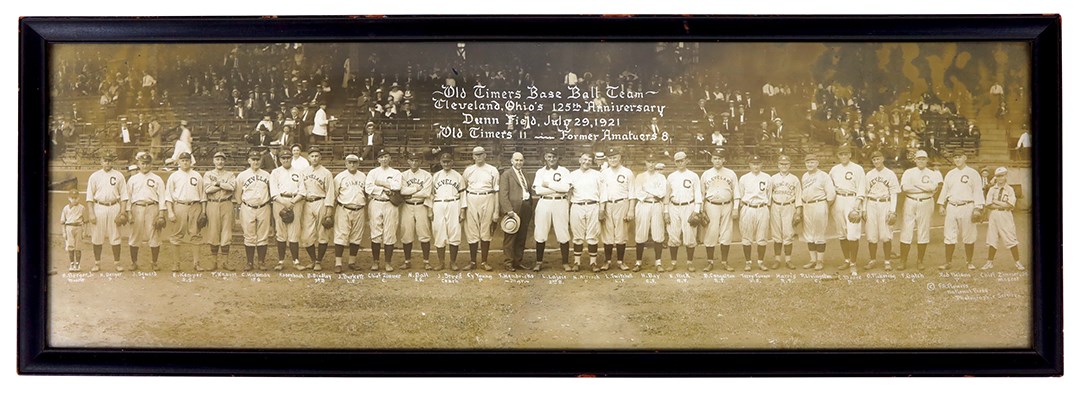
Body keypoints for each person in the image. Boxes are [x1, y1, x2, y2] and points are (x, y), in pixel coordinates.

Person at [937, 152, 984, 270]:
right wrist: (941, 204)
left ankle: (969, 262)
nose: (957, 159)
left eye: (959, 157)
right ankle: (948, 262)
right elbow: (944, 190)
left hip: (967, 205)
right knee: (949, 234)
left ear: (965, 158)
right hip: (952, 206)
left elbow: (978, 191)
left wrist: (978, 208)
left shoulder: (973, 173)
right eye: (955, 157)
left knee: (969, 234)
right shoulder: (950, 174)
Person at [899, 150, 942, 271]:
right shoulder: (909, 172)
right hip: (910, 201)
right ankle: (903, 261)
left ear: (927, 160)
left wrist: (916, 185)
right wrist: (924, 188)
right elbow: (905, 188)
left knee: (923, 230)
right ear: (915, 160)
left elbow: (933, 188)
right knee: (906, 229)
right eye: (919, 159)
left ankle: (920, 261)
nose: (921, 161)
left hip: (926, 202)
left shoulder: (933, 173)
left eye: (923, 159)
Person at [86, 151, 129, 272]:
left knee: (115, 235)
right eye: (105, 160)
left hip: (114, 206)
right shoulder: (94, 176)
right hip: (99, 206)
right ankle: (97, 263)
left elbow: (124, 196)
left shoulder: (119, 175)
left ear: (112, 162)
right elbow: (89, 196)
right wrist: (91, 212)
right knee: (97, 236)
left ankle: (117, 263)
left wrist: (122, 212)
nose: (107, 163)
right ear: (101, 161)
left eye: (109, 160)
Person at [700, 148, 740, 272]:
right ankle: (710, 262)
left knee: (726, 233)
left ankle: (724, 262)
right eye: (715, 158)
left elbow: (736, 192)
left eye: (720, 158)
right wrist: (701, 209)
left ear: (724, 160)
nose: (717, 161)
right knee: (711, 233)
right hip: (711, 205)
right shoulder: (706, 174)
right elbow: (701, 193)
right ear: (712, 159)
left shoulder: (731, 173)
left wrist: (735, 208)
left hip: (727, 205)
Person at [166, 152, 207, 272]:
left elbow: (203, 195)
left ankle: (196, 263)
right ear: (178, 162)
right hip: (179, 205)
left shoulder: (197, 175)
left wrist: (203, 212)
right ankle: (176, 263)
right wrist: (170, 212)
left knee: (196, 235)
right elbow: (168, 196)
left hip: (195, 205)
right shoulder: (174, 176)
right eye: (182, 160)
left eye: (187, 160)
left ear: (191, 161)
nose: (185, 162)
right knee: (176, 235)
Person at [126, 152, 166, 271]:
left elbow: (162, 197)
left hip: (152, 207)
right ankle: (134, 262)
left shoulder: (157, 179)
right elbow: (128, 197)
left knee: (154, 234)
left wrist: (161, 214)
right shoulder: (133, 179)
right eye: (143, 163)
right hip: (137, 207)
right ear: (139, 164)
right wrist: (128, 213)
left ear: (151, 165)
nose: (145, 166)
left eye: (147, 163)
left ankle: (154, 262)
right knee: (135, 235)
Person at [462, 146, 501, 271]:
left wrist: (496, 211)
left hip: (487, 197)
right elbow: (464, 189)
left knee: (486, 231)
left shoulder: (492, 170)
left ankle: (484, 262)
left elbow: (496, 191)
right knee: (472, 231)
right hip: (471, 198)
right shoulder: (468, 170)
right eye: (476, 154)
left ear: (485, 155)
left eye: (481, 154)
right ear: (473, 156)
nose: (478, 157)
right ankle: (473, 262)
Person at [533, 147, 572, 271]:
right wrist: (557, 188)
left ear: (558, 158)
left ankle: (565, 262)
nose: (551, 159)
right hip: (544, 202)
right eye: (549, 157)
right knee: (540, 231)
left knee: (563, 231)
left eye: (554, 157)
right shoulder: (540, 172)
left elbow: (566, 188)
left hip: (560, 202)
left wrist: (548, 185)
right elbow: (538, 190)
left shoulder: (564, 171)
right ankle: (539, 262)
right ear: (545, 157)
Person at [829, 145, 865, 275]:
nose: (843, 156)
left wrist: (857, 205)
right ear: (838, 156)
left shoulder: (858, 168)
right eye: (841, 154)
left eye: (846, 154)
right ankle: (847, 260)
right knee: (842, 233)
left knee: (853, 233)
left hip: (852, 200)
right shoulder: (834, 169)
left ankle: (853, 264)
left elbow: (862, 187)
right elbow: (829, 186)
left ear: (850, 155)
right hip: (838, 201)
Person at [567, 152, 606, 272]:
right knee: (577, 236)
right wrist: (567, 209)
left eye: (589, 160)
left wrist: (602, 209)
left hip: (593, 205)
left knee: (592, 236)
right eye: (584, 159)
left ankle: (593, 263)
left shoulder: (597, 175)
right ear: (579, 160)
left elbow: (603, 193)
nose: (587, 162)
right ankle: (577, 262)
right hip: (577, 206)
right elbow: (568, 193)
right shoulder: (572, 175)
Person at [235, 149, 273, 271]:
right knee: (249, 235)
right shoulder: (242, 175)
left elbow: (271, 191)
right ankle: (249, 262)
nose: (256, 162)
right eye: (253, 159)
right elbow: (237, 193)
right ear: (249, 160)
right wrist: (241, 205)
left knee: (263, 235)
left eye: (258, 159)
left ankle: (261, 262)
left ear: (261, 161)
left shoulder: (267, 175)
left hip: (263, 206)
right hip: (248, 207)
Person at [863, 151, 900, 271]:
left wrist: (892, 210)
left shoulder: (890, 174)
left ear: (883, 159)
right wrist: (864, 209)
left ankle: (887, 261)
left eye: (878, 159)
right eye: (874, 160)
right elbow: (865, 194)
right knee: (871, 233)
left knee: (886, 234)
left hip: (885, 203)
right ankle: (872, 260)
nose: (876, 161)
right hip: (871, 203)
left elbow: (894, 193)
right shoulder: (869, 175)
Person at [365, 149, 402, 271]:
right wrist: (385, 189)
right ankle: (375, 262)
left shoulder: (396, 172)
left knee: (390, 232)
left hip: (390, 203)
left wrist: (381, 183)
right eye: (382, 157)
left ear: (390, 158)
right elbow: (368, 188)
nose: (384, 159)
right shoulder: (373, 172)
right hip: (376, 202)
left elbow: (397, 186)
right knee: (376, 233)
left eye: (386, 157)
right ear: (378, 159)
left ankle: (388, 262)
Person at [270, 149, 307, 271]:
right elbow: (274, 191)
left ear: (292, 158)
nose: (286, 160)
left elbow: (302, 191)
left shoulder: (299, 172)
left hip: (295, 202)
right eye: (283, 158)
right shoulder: (275, 172)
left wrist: (292, 201)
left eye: (288, 157)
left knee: (294, 232)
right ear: (280, 159)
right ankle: (280, 261)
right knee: (280, 232)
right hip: (280, 201)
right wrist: (284, 202)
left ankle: (296, 261)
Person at [665, 151, 702, 272]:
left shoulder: (693, 175)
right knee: (673, 235)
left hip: (689, 206)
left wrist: (696, 211)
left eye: (682, 160)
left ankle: (690, 262)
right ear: (675, 162)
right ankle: (673, 262)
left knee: (690, 235)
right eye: (677, 161)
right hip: (674, 206)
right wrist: (666, 211)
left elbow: (698, 194)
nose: (680, 163)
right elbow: (667, 195)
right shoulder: (671, 176)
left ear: (687, 160)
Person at [982, 167, 1025, 271]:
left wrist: (996, 202)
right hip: (994, 215)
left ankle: (1017, 262)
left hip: (1006, 215)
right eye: (998, 176)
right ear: (995, 177)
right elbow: (988, 204)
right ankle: (989, 262)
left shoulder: (1010, 189)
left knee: (1011, 238)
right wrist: (1002, 204)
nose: (1000, 178)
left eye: (1002, 175)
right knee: (992, 238)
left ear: (1006, 176)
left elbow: (1010, 205)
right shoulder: (992, 189)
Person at [299, 147, 335, 271]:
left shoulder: (326, 173)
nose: (314, 158)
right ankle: (313, 260)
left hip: (321, 201)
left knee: (322, 233)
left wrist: (329, 209)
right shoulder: (304, 171)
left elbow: (330, 192)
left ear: (320, 158)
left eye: (317, 156)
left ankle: (319, 261)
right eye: (312, 156)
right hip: (307, 203)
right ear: (308, 158)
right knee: (306, 235)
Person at [599, 148, 634, 271]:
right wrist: (602, 208)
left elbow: (632, 193)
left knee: (621, 234)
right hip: (608, 204)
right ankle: (607, 261)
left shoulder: (627, 172)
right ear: (607, 159)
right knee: (607, 234)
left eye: (615, 157)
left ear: (619, 158)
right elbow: (602, 192)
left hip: (622, 203)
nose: (612, 160)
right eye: (610, 158)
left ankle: (620, 261)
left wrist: (631, 210)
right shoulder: (604, 173)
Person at [632, 153, 668, 271]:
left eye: (653, 162)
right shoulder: (640, 177)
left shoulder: (661, 177)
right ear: (645, 162)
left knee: (658, 233)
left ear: (656, 162)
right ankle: (638, 262)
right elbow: (638, 193)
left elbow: (662, 193)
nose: (651, 164)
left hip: (657, 205)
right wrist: (654, 193)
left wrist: (647, 191)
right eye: (648, 162)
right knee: (641, 233)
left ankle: (658, 262)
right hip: (643, 205)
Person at [498, 152, 534, 271]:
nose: (519, 162)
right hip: (513, 209)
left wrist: (529, 204)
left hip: (525, 206)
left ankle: (518, 261)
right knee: (510, 236)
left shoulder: (525, 173)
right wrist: (509, 210)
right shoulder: (506, 174)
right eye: (516, 160)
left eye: (521, 160)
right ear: (511, 161)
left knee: (522, 236)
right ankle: (508, 262)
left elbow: (528, 189)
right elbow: (503, 194)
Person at [332, 154, 367, 273]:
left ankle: (352, 262)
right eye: (350, 162)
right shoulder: (340, 177)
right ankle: (338, 263)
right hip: (344, 208)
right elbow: (334, 195)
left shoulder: (363, 176)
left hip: (359, 209)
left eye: (354, 162)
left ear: (358, 163)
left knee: (356, 236)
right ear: (346, 163)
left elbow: (366, 193)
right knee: (341, 235)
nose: (352, 164)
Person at [399, 152, 434, 270]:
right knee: (406, 233)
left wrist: (410, 192)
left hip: (421, 206)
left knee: (424, 233)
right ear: (408, 161)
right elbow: (402, 191)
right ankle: (407, 261)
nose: (414, 162)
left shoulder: (426, 175)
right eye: (411, 160)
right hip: (407, 206)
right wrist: (416, 189)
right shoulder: (403, 175)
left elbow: (426, 193)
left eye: (416, 160)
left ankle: (426, 261)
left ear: (420, 162)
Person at [431, 153, 466, 271]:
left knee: (454, 232)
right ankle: (441, 262)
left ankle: (453, 262)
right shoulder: (436, 176)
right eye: (444, 161)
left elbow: (463, 195)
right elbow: (430, 195)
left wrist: (462, 210)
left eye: (448, 161)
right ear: (440, 162)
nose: (446, 164)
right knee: (439, 232)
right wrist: (430, 210)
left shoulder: (458, 176)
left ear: (452, 162)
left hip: (454, 203)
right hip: (438, 204)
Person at [800, 153, 835, 271]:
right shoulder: (804, 176)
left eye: (812, 162)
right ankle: (812, 260)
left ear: (817, 163)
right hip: (807, 205)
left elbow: (831, 194)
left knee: (819, 234)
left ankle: (820, 260)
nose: (810, 164)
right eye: (807, 162)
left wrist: (824, 205)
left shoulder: (823, 175)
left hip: (819, 204)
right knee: (809, 234)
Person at [738, 155, 772, 271]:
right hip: (748, 207)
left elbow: (769, 195)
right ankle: (748, 262)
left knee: (762, 237)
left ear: (761, 164)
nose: (756, 166)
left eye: (758, 163)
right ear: (750, 165)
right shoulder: (744, 178)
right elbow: (741, 194)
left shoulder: (767, 177)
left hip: (762, 207)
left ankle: (761, 262)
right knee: (746, 237)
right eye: (753, 163)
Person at [204, 151, 236, 271]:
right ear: (213, 161)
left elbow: (231, 187)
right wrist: (223, 184)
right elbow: (207, 190)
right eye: (217, 159)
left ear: (225, 161)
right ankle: (214, 262)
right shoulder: (208, 174)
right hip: (212, 204)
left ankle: (225, 262)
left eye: (222, 159)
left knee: (226, 233)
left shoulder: (230, 174)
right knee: (213, 233)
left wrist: (217, 183)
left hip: (226, 203)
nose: (220, 162)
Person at [769, 155, 802, 269]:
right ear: (778, 165)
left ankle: (788, 260)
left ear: (790, 165)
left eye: (786, 164)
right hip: (776, 206)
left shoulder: (794, 179)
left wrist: (798, 212)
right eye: (782, 164)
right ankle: (777, 260)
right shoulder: (772, 178)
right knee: (776, 233)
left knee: (788, 233)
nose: (784, 166)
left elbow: (798, 196)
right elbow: (768, 196)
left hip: (789, 206)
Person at [61, 189, 86, 272]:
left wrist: (84, 231)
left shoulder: (82, 208)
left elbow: (84, 221)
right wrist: (64, 232)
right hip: (69, 227)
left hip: (78, 227)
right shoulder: (66, 208)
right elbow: (63, 222)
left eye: (76, 198)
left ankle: (78, 264)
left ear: (79, 198)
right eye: (72, 198)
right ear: (69, 198)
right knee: (70, 247)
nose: (74, 199)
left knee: (78, 247)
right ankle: (72, 263)